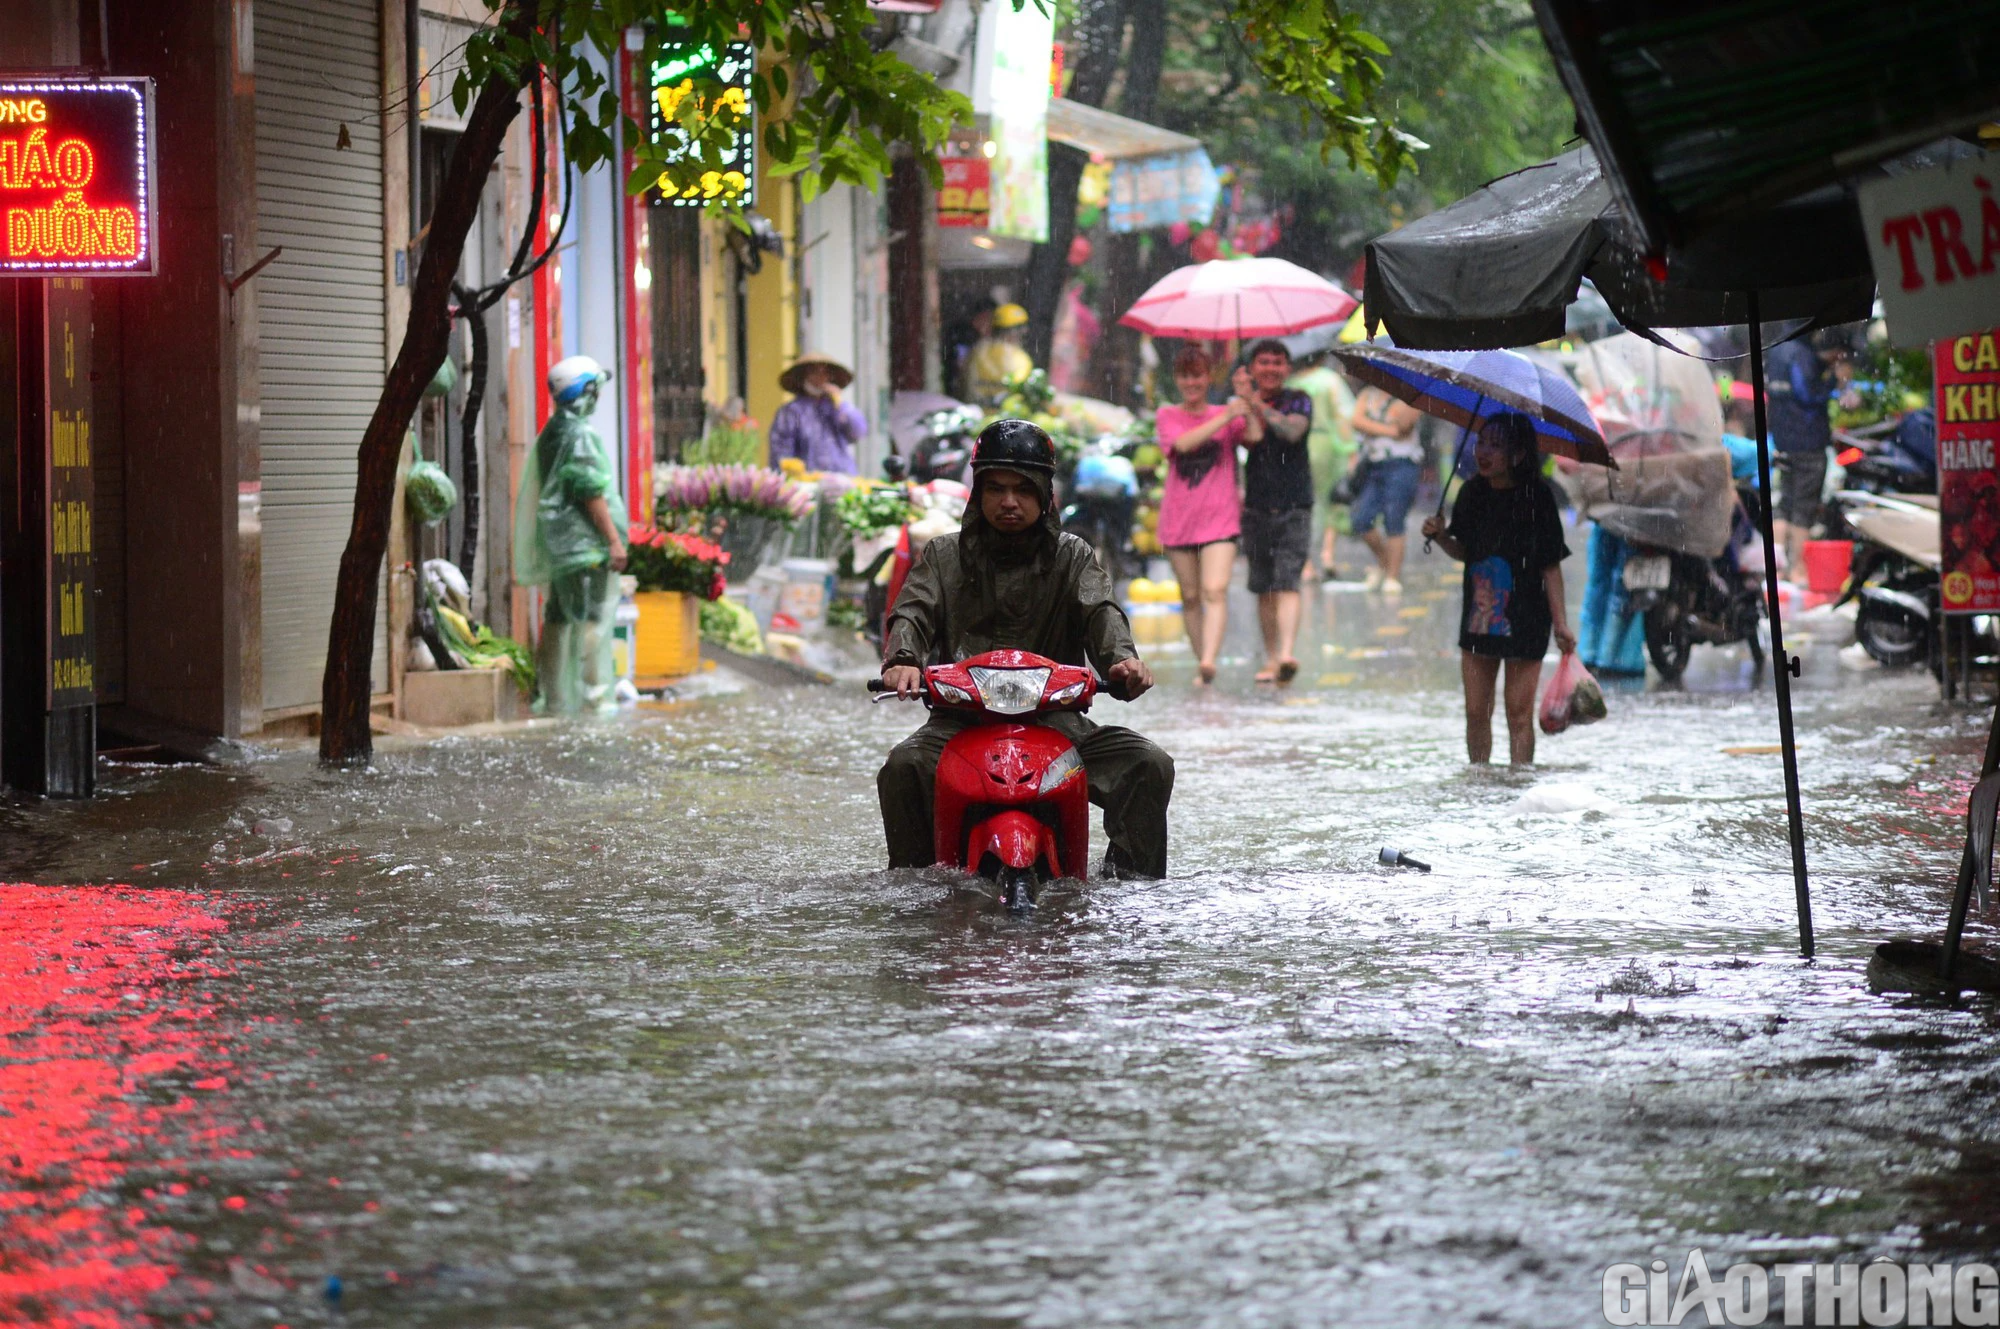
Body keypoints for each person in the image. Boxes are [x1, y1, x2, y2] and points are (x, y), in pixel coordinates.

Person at [877, 420, 1172, 877]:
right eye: (995, 488)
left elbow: (1102, 612)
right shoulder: (942, 555)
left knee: (1148, 765)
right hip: (959, 724)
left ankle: (1133, 883)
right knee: (903, 768)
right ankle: (915, 887)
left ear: (1044, 493)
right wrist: (902, 660)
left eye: (1022, 489)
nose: (1009, 501)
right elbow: (913, 611)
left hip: (1057, 726)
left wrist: (1122, 661)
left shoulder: (1073, 555)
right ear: (977, 493)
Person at [1421, 413, 1576, 765]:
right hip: (1478, 618)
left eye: (1495, 445)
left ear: (1518, 454)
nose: (1483, 452)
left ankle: (1518, 783)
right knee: (1476, 712)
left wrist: (1561, 623)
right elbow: (1466, 552)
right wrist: (1441, 537)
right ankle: (1481, 781)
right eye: (1481, 442)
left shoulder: (1539, 498)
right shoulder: (1472, 493)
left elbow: (1550, 567)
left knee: (1518, 715)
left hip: (1527, 619)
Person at [512, 355, 627, 716]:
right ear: (587, 392)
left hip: (561, 547)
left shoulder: (554, 432)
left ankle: (557, 698)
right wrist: (613, 540)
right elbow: (589, 490)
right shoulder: (580, 434)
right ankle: (594, 700)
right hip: (585, 549)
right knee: (592, 619)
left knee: (560, 617)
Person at [1155, 345, 1247, 685]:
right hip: (1179, 518)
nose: (1192, 382)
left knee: (1215, 589)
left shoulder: (1230, 410)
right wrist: (1225, 416)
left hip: (1220, 517)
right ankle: (1202, 661)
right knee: (1190, 596)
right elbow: (1181, 445)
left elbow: (1252, 436)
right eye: (1185, 375)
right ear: (1178, 380)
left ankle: (1209, 660)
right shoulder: (1168, 415)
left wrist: (1246, 402)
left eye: (1198, 375)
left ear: (1209, 377)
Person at [1237, 339, 1314, 683]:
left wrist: (1255, 402)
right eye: (1263, 362)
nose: (1270, 368)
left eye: (1277, 362)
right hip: (1255, 504)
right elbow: (1249, 440)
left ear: (1288, 368)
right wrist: (1247, 405)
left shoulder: (1299, 399)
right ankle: (1270, 658)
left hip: (1294, 503)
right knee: (1263, 585)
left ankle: (1286, 653)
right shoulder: (1239, 405)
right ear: (1252, 368)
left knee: (1287, 581)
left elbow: (1292, 432)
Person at [1765, 328, 1855, 584]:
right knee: (1803, 507)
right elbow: (1808, 394)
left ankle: (1777, 569)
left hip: (1783, 439)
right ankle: (1796, 569)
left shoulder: (1777, 351)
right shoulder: (1801, 354)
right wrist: (1832, 381)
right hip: (1807, 442)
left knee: (1785, 503)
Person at [1347, 384, 1425, 594]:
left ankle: (1393, 576)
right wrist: (1387, 429)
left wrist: (1374, 425)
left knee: (1394, 518)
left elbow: (1403, 427)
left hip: (1402, 464)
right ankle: (1384, 561)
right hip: (1373, 464)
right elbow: (1356, 421)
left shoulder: (1413, 394)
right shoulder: (1368, 394)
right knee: (1361, 519)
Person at [1286, 349, 1357, 579]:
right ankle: (1327, 554)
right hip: (1329, 445)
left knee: (1306, 502)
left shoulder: (1292, 383)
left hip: (1300, 446)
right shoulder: (1331, 380)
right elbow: (1344, 416)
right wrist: (1351, 450)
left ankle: (1306, 562)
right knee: (1332, 501)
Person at [768, 353, 867, 476]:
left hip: (843, 478)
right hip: (807, 483)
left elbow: (858, 432)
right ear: (803, 377)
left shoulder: (837, 407)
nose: (820, 378)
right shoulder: (790, 412)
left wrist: (840, 405)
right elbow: (781, 454)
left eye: (825, 373)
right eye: (814, 373)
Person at [965, 303, 1034, 406]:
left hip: (975, 414)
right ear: (1014, 332)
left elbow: (965, 385)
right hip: (1006, 418)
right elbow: (1023, 391)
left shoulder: (977, 350)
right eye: (1021, 330)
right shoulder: (1020, 358)